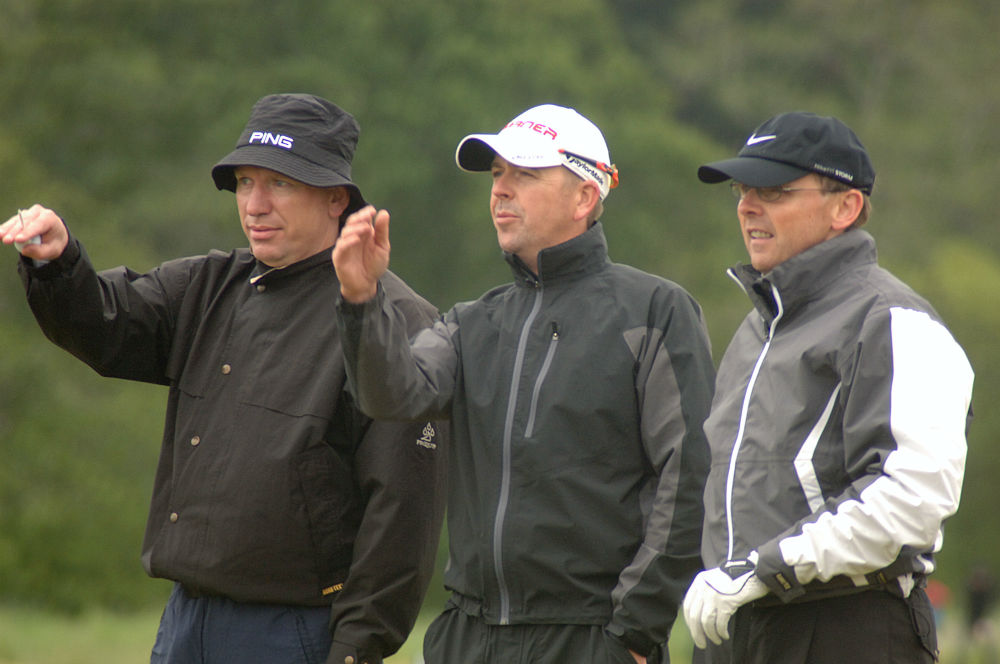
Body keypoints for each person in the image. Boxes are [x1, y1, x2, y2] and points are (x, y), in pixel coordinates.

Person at [1, 93, 447, 664]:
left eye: (280, 184)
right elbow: (105, 323)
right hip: (187, 620)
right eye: (244, 183)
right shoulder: (210, 286)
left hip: (300, 632)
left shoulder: (397, 322)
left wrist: (356, 650)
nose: (255, 205)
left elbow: (402, 520)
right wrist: (57, 263)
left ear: (337, 199)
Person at [332, 103, 716, 664]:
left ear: (586, 196)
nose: (500, 191)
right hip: (468, 635)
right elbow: (392, 396)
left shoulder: (656, 310)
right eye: (496, 175)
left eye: (525, 174)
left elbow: (689, 478)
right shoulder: (471, 321)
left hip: (590, 637)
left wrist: (634, 634)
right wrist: (363, 301)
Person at [682, 111, 974, 664]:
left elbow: (913, 499)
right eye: (743, 190)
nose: (747, 206)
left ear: (846, 207)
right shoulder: (754, 331)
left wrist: (761, 569)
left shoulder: (894, 320)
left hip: (847, 627)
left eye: (773, 190)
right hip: (738, 630)